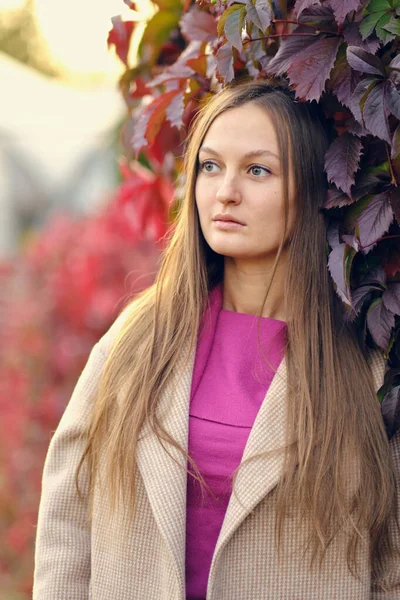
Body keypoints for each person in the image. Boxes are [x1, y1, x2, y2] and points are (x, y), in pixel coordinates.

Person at [33, 79, 400, 600]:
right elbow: (67, 526)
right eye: (210, 166)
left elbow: (392, 569)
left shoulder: (365, 367)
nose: (226, 190)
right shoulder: (138, 340)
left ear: (317, 193)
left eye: (258, 170)